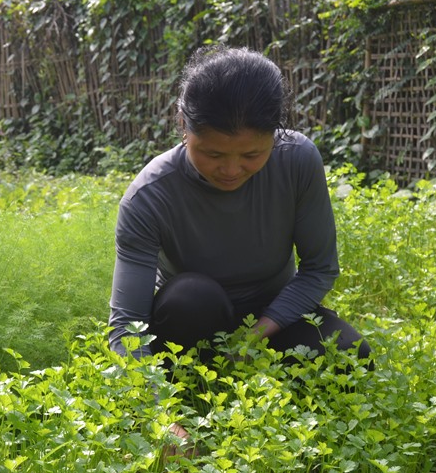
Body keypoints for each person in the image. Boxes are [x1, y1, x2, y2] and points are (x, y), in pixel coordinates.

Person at [108, 45, 370, 367]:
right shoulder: (149, 196)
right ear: (183, 126)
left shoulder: (297, 160)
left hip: (273, 314)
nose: (231, 171)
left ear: (275, 134)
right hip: (187, 323)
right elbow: (127, 325)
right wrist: (156, 411)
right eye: (213, 154)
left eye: (251, 155)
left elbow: (319, 268)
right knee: (191, 296)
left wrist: (254, 337)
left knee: (349, 355)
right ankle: (190, 378)